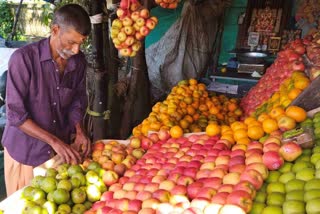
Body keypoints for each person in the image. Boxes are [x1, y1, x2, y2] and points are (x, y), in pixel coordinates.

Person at [1, 4, 92, 196]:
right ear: (55, 30)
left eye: (81, 43)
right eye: (70, 42)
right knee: (26, 205)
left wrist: (79, 130)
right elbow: (16, 115)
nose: (76, 50)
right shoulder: (23, 60)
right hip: (25, 152)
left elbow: (77, 100)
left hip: (58, 154)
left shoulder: (78, 62)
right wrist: (55, 142)